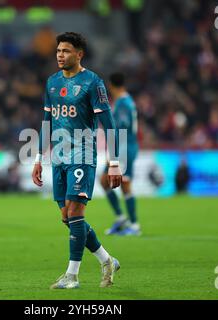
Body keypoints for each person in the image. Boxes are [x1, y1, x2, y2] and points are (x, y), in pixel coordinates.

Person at [32, 32, 122, 289]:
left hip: (82, 154)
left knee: (75, 211)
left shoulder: (93, 83)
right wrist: (39, 157)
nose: (60, 55)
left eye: (66, 51)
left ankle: (72, 276)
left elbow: (109, 125)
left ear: (79, 54)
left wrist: (114, 162)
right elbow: (47, 123)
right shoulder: (51, 83)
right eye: (58, 51)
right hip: (58, 157)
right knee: (66, 217)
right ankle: (107, 259)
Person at [100, 72, 141, 236]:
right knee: (104, 181)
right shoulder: (123, 101)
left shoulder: (123, 103)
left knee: (124, 184)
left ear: (110, 85)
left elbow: (121, 127)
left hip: (124, 147)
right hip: (120, 147)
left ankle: (134, 225)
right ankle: (121, 218)